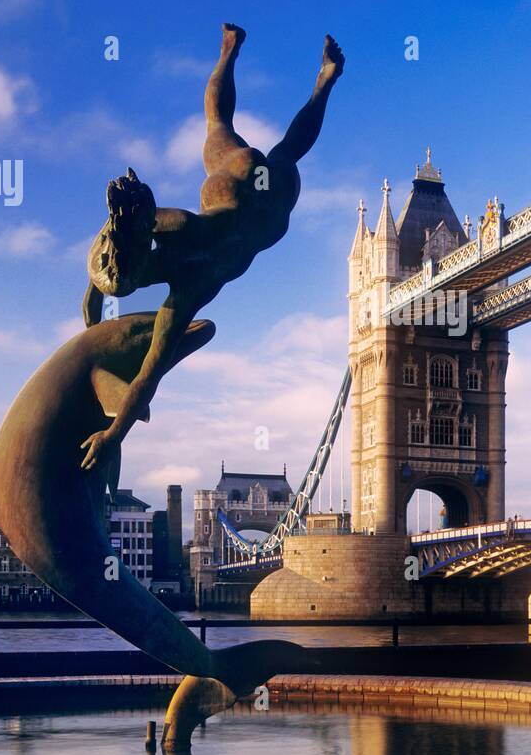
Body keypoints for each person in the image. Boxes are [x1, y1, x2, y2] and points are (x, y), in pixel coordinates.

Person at [79, 23, 344, 471]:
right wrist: (92, 302)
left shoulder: (185, 295)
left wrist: (111, 434)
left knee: (283, 151)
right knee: (220, 125)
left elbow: (148, 376)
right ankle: (242, 54)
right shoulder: (173, 226)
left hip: (269, 215)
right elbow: (131, 229)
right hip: (240, 183)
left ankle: (318, 79)